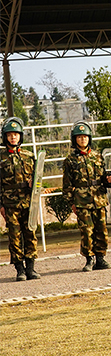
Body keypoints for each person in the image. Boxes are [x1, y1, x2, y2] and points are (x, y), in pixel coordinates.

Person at [63, 121, 111, 271]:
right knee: (86, 231)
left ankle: (101, 258)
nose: (82, 139)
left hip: (98, 198)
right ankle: (89, 259)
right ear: (75, 140)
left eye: (85, 137)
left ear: (89, 138)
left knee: (101, 230)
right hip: (81, 199)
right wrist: (71, 202)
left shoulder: (98, 156)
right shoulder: (70, 160)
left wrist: (108, 179)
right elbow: (67, 184)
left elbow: (103, 176)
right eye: (79, 137)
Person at [0, 117, 41, 281]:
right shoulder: (1, 157)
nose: (13, 138)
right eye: (10, 135)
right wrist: (0, 205)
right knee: (14, 237)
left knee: (30, 234)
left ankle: (31, 268)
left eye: (16, 135)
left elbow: (38, 180)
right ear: (5, 137)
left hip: (28, 202)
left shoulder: (29, 156)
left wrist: (35, 185)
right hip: (10, 204)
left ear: (20, 136)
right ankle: (20, 270)